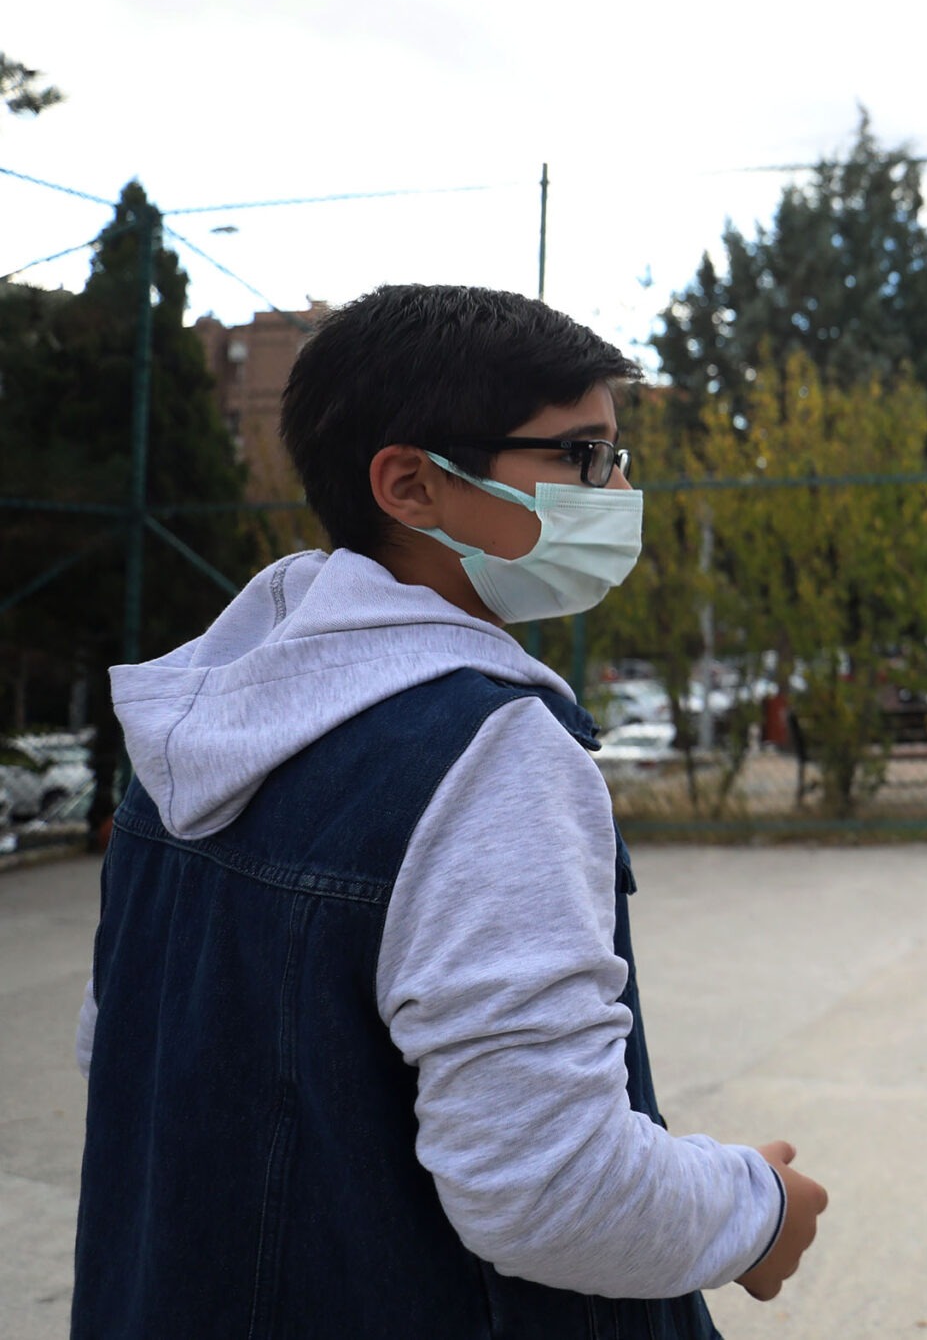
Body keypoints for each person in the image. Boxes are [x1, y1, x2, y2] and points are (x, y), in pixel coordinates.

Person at [73, 285, 826, 1337]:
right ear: (412, 485)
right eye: (577, 459)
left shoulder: (186, 728)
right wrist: (757, 1211)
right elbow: (550, 1188)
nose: (612, 493)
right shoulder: (487, 750)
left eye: (614, 459)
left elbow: (124, 1054)